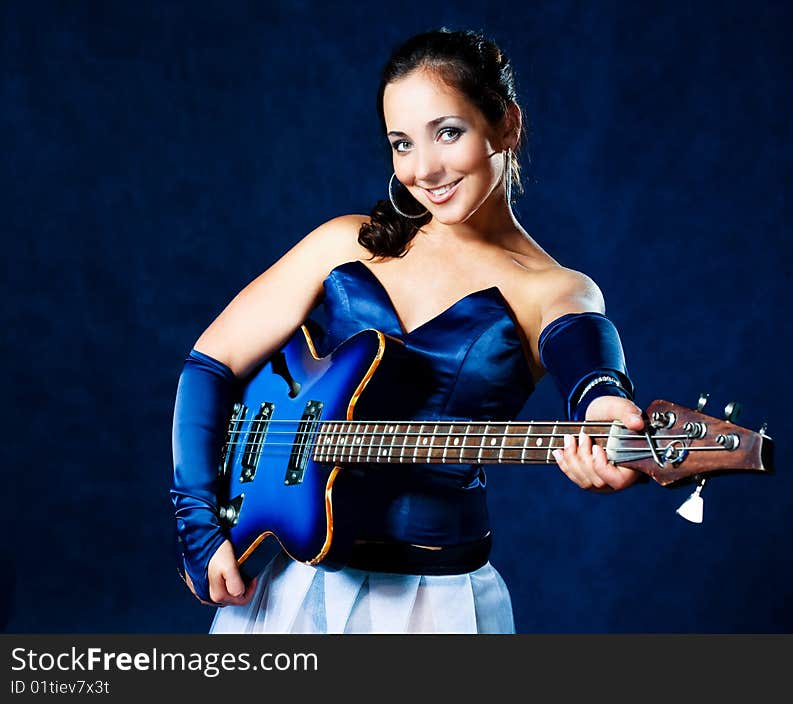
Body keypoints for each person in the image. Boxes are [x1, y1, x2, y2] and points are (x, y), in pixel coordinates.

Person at [171, 27, 645, 634]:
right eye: (401, 143)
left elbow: (596, 382)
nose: (423, 169)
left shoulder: (554, 290)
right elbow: (211, 363)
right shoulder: (346, 243)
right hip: (293, 587)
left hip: (434, 607)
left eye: (448, 133)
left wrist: (610, 420)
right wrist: (197, 521)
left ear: (506, 125)